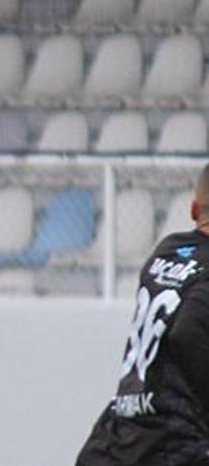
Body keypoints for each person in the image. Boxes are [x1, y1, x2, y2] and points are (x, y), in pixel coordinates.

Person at [76, 164, 209, 466]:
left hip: (116, 438)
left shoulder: (166, 251)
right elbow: (189, 333)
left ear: (193, 209)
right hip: (173, 445)